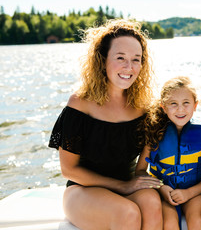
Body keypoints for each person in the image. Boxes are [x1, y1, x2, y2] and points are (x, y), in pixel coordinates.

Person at [48, 19, 163, 230]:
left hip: (128, 184)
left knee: (153, 204)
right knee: (127, 213)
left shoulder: (143, 106)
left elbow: (146, 162)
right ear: (102, 60)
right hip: (82, 190)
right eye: (121, 58)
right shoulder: (80, 104)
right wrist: (123, 186)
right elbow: (69, 170)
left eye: (136, 59)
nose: (129, 67)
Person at [136, 76, 201, 230]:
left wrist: (188, 193)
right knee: (169, 224)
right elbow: (140, 171)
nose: (180, 109)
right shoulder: (155, 133)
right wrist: (161, 188)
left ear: (195, 105)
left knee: (197, 222)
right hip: (165, 194)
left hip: (194, 193)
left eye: (186, 103)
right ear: (163, 107)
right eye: (173, 104)